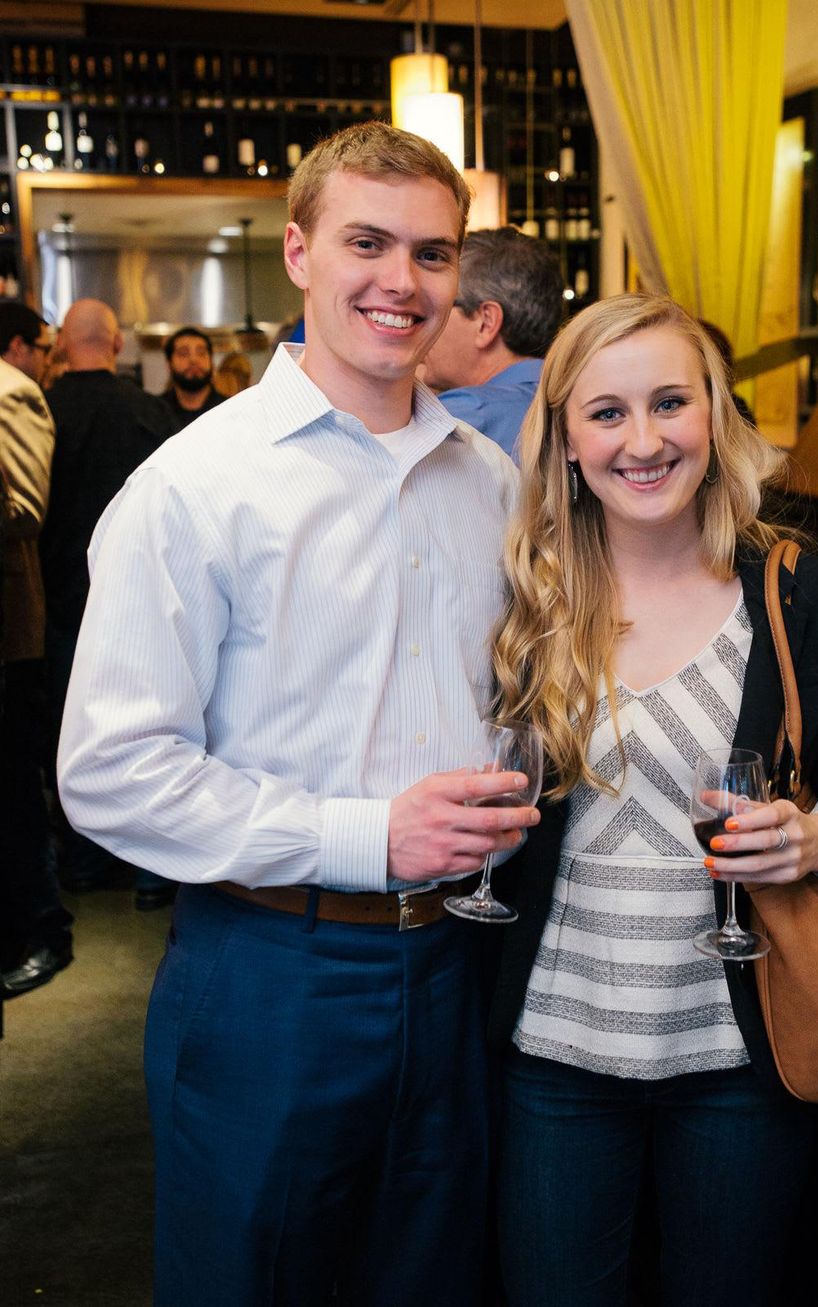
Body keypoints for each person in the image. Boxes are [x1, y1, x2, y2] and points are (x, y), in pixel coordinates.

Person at [57, 121, 537, 1307]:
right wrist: (369, 836)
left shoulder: (492, 482)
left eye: (432, 254)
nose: (401, 281)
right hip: (272, 966)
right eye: (366, 242)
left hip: (459, 965)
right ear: (300, 251)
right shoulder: (193, 486)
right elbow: (111, 770)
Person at [486, 292, 818, 1307]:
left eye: (669, 402)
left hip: (738, 1052)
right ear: (566, 439)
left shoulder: (810, 597)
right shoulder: (523, 597)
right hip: (555, 1046)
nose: (642, 440)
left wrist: (812, 837)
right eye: (607, 412)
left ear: (714, 415)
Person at [41, 299, 177, 908]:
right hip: (146, 593)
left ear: (63, 345)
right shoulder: (150, 412)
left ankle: (84, 860)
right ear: (118, 343)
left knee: (71, 729)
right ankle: (154, 872)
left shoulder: (40, 410)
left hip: (59, 596)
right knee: (158, 722)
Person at [0, 302, 74, 998]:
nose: (47, 359)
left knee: (14, 789)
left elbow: (25, 507)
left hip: (8, 636)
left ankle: (42, 930)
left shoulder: (12, 390)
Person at [420, 226, 563, 460]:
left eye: (438, 307)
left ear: (486, 322)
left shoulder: (468, 413)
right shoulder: (571, 398)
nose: (423, 323)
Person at [159, 326, 225, 428]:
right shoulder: (154, 413)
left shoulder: (228, 410)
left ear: (212, 362)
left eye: (201, 353)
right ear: (169, 365)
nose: (193, 360)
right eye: (184, 354)